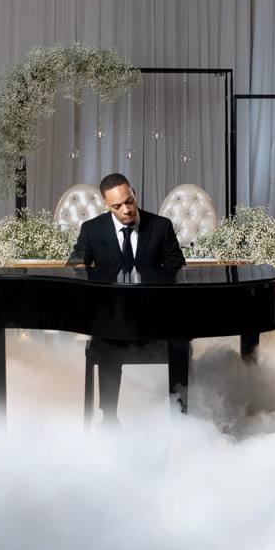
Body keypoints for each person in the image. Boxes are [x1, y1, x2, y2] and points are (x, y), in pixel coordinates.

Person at [68, 173, 186, 423]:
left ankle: (180, 417)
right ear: (106, 205)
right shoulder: (92, 229)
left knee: (180, 339)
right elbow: (76, 264)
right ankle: (109, 418)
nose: (126, 210)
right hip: (113, 315)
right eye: (117, 206)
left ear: (134, 194)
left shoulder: (160, 226)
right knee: (108, 342)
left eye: (129, 201)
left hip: (154, 314)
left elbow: (177, 266)